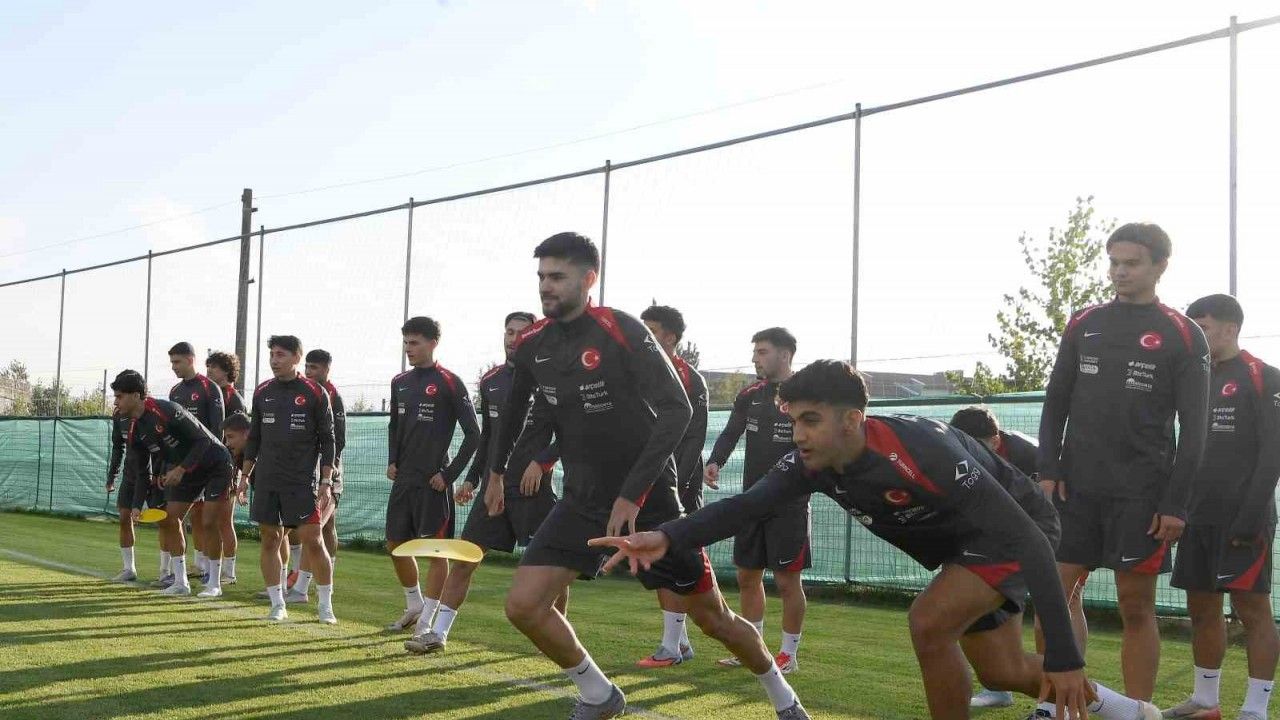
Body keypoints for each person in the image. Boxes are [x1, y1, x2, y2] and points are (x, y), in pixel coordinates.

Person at [593, 360, 1162, 720]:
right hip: (963, 551)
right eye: (793, 420)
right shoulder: (810, 464)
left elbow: (1029, 540)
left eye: (810, 420)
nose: (798, 434)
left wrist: (1064, 654)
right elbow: (745, 507)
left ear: (852, 420)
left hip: (1017, 530)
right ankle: (1130, 712)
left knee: (928, 623)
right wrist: (665, 536)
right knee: (1002, 672)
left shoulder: (923, 450)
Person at [486, 232, 807, 720]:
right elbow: (513, 412)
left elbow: (677, 410)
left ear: (588, 279)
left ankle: (785, 699)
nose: (546, 287)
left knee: (714, 619)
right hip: (580, 501)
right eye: (541, 277)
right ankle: (600, 695)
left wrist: (632, 495)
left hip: (652, 505)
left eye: (557, 277)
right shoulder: (533, 344)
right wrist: (495, 473)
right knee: (524, 606)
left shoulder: (620, 329)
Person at [1038, 223, 1210, 709]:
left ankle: (1137, 711)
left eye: (1131, 263)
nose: (1119, 272)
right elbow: (1056, 400)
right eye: (1114, 262)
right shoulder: (1084, 322)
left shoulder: (1183, 333)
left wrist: (1176, 503)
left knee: (1135, 606)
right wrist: (1048, 469)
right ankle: (1055, 707)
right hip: (1075, 489)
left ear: (1160, 266)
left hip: (1142, 496)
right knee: (1056, 599)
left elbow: (1195, 429)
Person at [406, 311, 561, 655]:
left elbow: (571, 431)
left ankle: (556, 638)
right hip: (494, 487)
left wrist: (542, 462)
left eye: (522, 332)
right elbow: (489, 437)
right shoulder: (491, 381)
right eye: (509, 331)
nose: (514, 338)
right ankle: (438, 634)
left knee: (551, 566)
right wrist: (473, 479)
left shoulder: (554, 377)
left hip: (533, 489)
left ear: (535, 336)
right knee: (466, 558)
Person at [1162, 294, 1280, 720]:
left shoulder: (1265, 376)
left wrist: (1250, 516)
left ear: (1230, 328)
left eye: (1204, 327)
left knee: (1253, 611)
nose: (1196, 336)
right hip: (1196, 515)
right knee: (1202, 610)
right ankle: (1205, 701)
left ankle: (1254, 710)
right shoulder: (1193, 377)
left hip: (1243, 517)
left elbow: (1273, 453)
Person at [950, 406, 1087, 712]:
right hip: (1013, 537)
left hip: (1063, 527)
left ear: (996, 441)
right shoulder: (955, 456)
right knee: (976, 598)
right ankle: (1000, 688)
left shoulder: (1032, 458)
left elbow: (1055, 505)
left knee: (1062, 604)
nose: (970, 455)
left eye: (976, 447)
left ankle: (1060, 701)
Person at [705, 327, 808, 673]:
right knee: (747, 577)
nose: (754, 359)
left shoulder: (806, 394)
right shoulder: (750, 395)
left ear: (785, 354)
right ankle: (752, 648)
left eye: (762, 352)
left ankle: (788, 655)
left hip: (790, 504)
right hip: (751, 501)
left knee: (787, 582)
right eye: (755, 352)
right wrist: (715, 461)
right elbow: (731, 432)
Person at [385, 316, 481, 634]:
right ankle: (414, 604)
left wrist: (449, 475)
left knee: (434, 550)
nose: (408, 348)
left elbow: (474, 435)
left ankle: (427, 621)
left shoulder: (450, 382)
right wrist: (392, 460)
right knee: (395, 545)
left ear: (432, 343)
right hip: (404, 479)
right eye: (405, 342)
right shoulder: (399, 381)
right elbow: (394, 426)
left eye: (414, 342)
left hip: (433, 483)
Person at [111, 370, 235, 599]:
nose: (116, 402)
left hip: (216, 464)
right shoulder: (135, 429)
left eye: (119, 396)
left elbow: (203, 440)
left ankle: (214, 584)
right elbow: (142, 472)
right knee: (170, 519)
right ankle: (181, 582)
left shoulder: (167, 410)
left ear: (136, 395)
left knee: (209, 521)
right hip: (187, 471)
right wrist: (137, 505)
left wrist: (180, 469)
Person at [634, 304, 710, 668]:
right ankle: (678, 642)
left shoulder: (689, 378)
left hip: (677, 486)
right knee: (662, 563)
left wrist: (676, 485)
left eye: (650, 330)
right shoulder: (639, 373)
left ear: (670, 337)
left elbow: (693, 437)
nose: (642, 336)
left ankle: (673, 646)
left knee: (679, 563)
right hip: (651, 482)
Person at [242, 335, 337, 623]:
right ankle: (277, 604)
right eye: (272, 354)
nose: (274, 360)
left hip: (301, 481)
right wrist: (244, 475)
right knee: (270, 539)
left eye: (281, 354)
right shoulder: (262, 391)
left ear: (297, 357)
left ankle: (325, 606)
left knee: (313, 540)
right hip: (267, 479)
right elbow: (254, 438)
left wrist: (326, 480)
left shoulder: (315, 392)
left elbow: (328, 440)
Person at [285, 348, 347, 603]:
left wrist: (328, 472)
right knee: (324, 527)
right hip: (305, 470)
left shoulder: (332, 395)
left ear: (326, 369)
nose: (309, 372)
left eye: (315, 368)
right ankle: (320, 575)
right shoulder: (304, 392)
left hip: (326, 474)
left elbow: (337, 439)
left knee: (315, 529)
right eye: (307, 367)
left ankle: (301, 587)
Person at [169, 341, 226, 585]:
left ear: (190, 360)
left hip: (209, 465)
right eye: (171, 362)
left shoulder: (209, 388)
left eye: (177, 362)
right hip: (184, 465)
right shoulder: (174, 391)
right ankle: (182, 572)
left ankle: (212, 573)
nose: (173, 367)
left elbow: (217, 431)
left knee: (208, 520)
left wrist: (204, 461)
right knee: (176, 517)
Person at [204, 349, 244, 585]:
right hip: (211, 466)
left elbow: (239, 437)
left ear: (227, 371)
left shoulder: (233, 398)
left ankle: (229, 572)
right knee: (206, 519)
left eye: (214, 367)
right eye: (208, 366)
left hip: (228, 467)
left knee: (224, 520)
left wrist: (235, 471)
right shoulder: (210, 393)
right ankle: (206, 566)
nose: (209, 371)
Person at [106, 405, 159, 582]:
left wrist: (159, 472)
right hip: (130, 474)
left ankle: (167, 572)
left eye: (120, 396)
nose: (117, 401)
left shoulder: (152, 414)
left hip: (153, 475)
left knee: (167, 523)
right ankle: (129, 569)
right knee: (124, 517)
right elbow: (117, 447)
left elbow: (162, 448)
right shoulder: (118, 415)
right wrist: (112, 476)